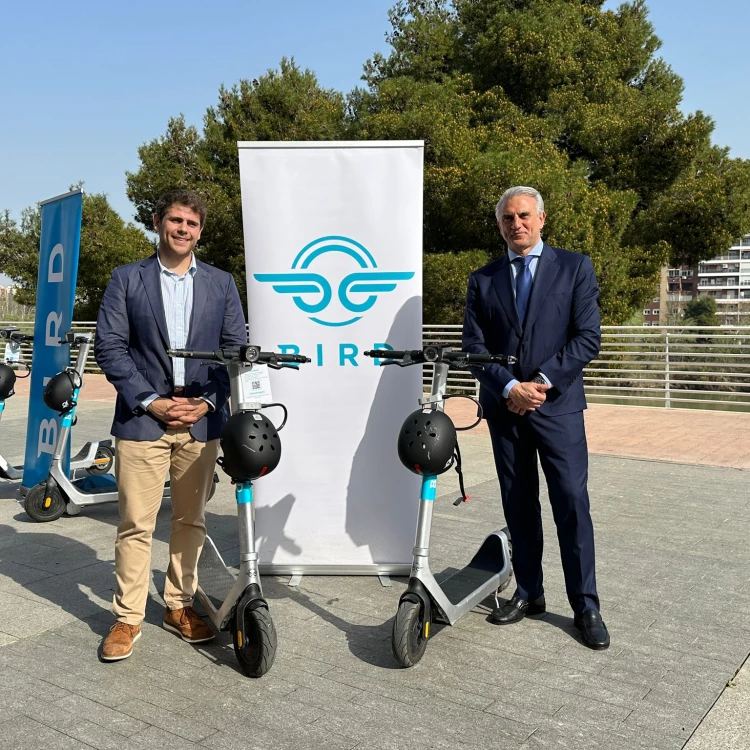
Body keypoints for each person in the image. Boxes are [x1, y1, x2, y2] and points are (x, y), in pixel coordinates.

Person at [94, 188, 246, 661]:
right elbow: (110, 347)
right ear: (159, 222)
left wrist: (207, 402)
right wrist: (152, 401)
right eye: (175, 220)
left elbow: (236, 350)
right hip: (144, 421)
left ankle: (178, 606)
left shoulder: (221, 283)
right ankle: (127, 617)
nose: (183, 230)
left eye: (192, 224)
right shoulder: (126, 279)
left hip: (201, 424)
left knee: (190, 520)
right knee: (136, 524)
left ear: (200, 231)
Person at [461, 186, 609, 649]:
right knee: (519, 503)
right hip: (507, 411)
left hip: (557, 407)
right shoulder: (482, 280)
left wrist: (538, 384)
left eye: (524, 216)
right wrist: (509, 386)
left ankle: (585, 605)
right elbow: (473, 349)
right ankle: (530, 592)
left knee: (570, 502)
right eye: (508, 219)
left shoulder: (574, 267)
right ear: (500, 225)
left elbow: (588, 338)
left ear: (541, 219)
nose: (516, 224)